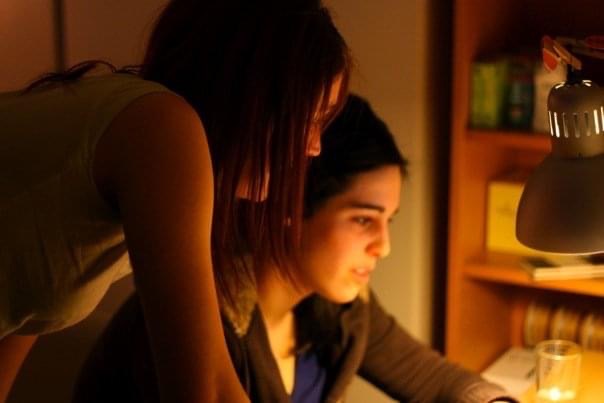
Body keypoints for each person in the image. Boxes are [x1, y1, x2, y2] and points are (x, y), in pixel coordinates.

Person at [0, 0, 350, 401]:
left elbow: (18, 316)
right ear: (251, 93)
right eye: (312, 118)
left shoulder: (133, 170)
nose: (314, 146)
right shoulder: (159, 129)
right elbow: (206, 390)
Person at [73, 95, 517, 402]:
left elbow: (434, 380)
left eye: (388, 221)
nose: (383, 246)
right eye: (363, 220)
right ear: (290, 206)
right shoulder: (201, 325)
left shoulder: (340, 306)